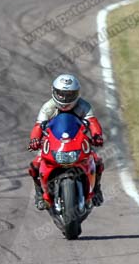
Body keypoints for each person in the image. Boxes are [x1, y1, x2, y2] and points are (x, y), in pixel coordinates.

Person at [27, 73, 105, 210]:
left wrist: (97, 135)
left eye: (69, 95)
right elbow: (38, 126)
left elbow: (93, 122)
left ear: (77, 94)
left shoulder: (83, 106)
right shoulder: (48, 107)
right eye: (61, 94)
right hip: (54, 143)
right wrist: (34, 139)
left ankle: (96, 189)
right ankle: (40, 194)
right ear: (54, 92)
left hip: (77, 142)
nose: (64, 98)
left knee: (97, 161)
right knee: (35, 165)